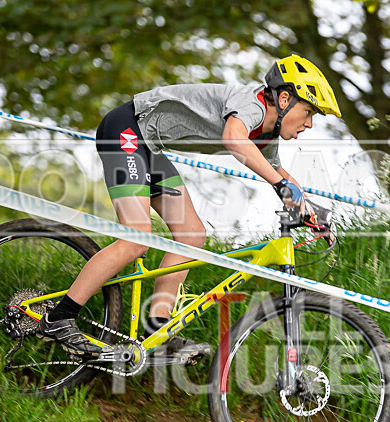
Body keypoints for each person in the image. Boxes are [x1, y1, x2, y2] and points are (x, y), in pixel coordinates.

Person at [37, 54, 342, 358]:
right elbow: (234, 138)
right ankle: (59, 317)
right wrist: (280, 186)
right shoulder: (253, 104)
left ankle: (157, 329)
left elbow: (283, 176)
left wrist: (313, 213)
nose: (310, 123)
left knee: (192, 235)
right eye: (308, 111)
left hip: (148, 146)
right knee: (136, 238)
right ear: (284, 97)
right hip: (126, 130)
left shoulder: (266, 135)